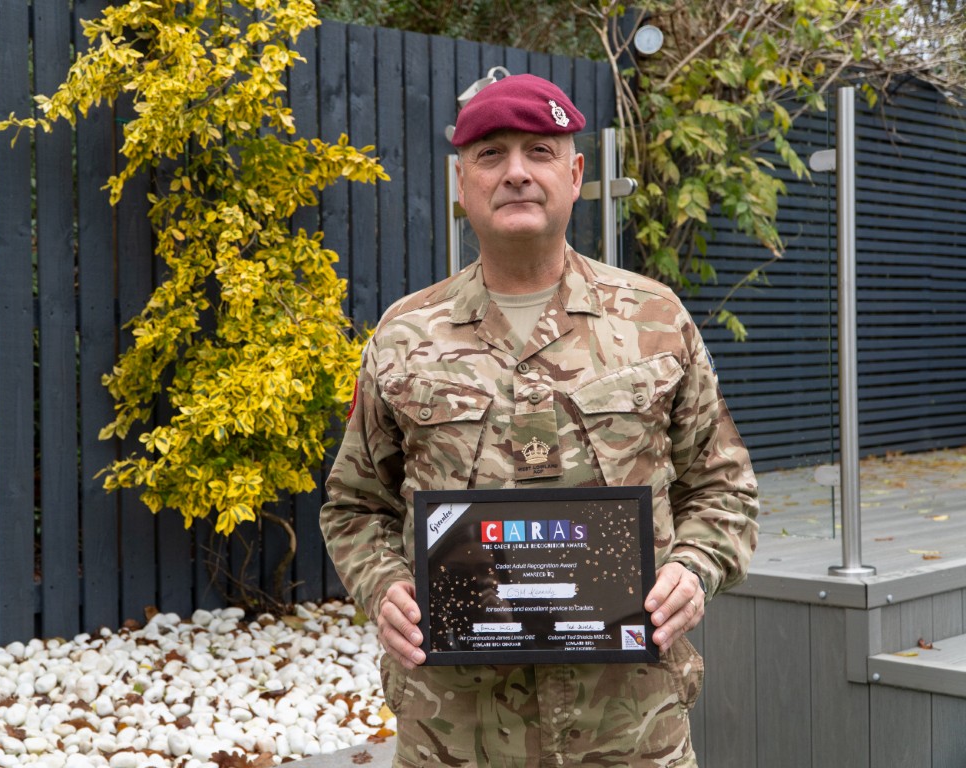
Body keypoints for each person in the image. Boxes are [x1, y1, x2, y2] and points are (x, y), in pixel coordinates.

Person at [320, 73, 759, 767]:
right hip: (453, 732)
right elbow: (354, 505)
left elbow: (724, 488)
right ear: (460, 182)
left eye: (540, 152)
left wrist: (693, 568)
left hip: (628, 729)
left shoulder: (655, 321)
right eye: (491, 154)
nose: (517, 172)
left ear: (576, 174)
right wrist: (385, 588)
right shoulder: (404, 335)